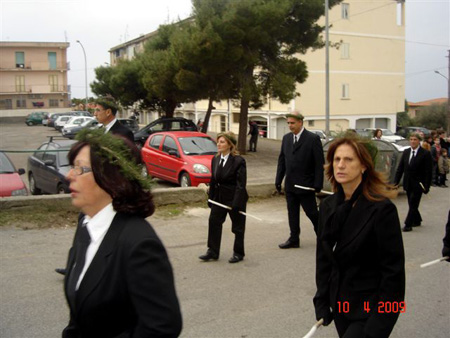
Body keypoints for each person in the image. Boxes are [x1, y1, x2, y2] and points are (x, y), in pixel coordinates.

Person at [62, 129, 182, 337]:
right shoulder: (86, 224)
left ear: (109, 177)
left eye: (80, 169)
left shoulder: (139, 243)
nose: (69, 176)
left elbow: (161, 327)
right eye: (72, 167)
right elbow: (79, 315)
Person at [314, 135, 405, 338]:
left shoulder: (382, 210)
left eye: (349, 160)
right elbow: (324, 259)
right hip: (341, 306)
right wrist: (321, 300)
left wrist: (379, 325)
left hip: (370, 310)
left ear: (363, 166)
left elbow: (394, 273)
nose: (341, 165)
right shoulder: (328, 207)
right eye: (337, 160)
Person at [275, 111, 324, 248]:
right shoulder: (286, 139)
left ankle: (323, 236)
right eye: (288, 123)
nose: (290, 126)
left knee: (312, 213)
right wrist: (278, 179)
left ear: (300, 122)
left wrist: (317, 184)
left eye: (292, 123)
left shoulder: (312, 139)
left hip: (306, 185)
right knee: (292, 213)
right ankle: (294, 239)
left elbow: (319, 164)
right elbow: (282, 161)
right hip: (290, 184)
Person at [199, 132, 248, 263]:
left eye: (222, 142)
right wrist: (211, 198)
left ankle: (238, 253)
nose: (218, 144)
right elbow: (213, 180)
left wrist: (236, 203)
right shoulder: (215, 159)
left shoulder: (239, 161)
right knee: (214, 222)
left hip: (234, 198)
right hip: (219, 199)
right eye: (218, 141)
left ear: (230, 145)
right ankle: (212, 251)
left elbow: (241, 185)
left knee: (237, 227)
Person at [394, 133, 432, 232]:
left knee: (413, 203)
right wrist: (395, 182)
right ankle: (417, 220)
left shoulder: (425, 154)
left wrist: (427, 186)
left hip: (419, 184)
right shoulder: (406, 152)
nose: (413, 141)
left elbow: (428, 172)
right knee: (411, 203)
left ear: (419, 141)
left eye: (415, 139)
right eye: (411, 139)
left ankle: (408, 224)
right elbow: (400, 168)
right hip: (408, 183)